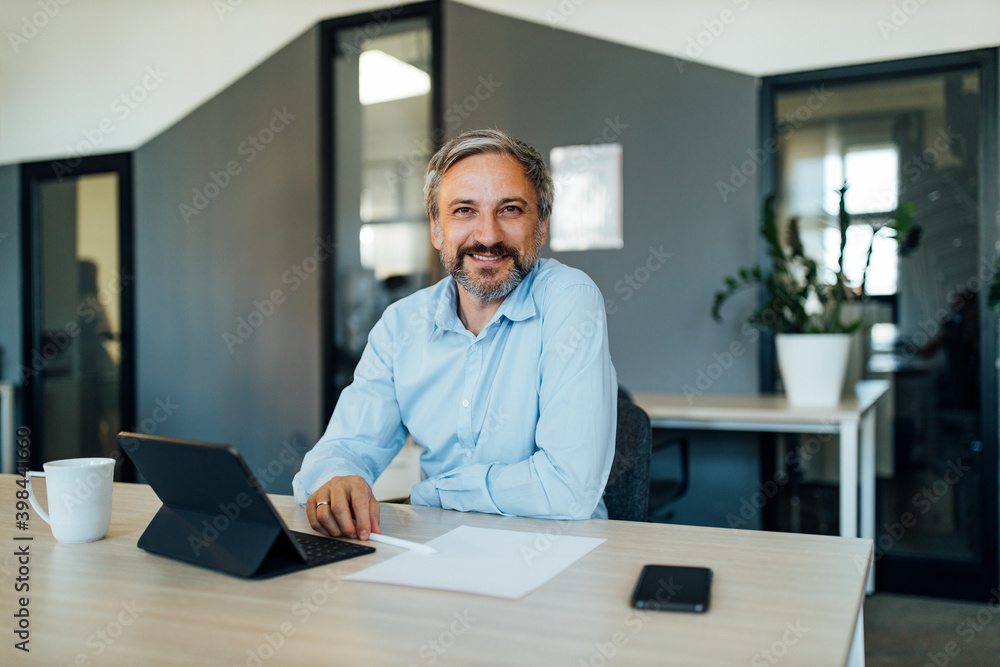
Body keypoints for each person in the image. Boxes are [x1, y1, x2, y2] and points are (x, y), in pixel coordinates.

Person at [292, 128, 617, 540]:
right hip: (437, 549)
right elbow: (346, 446)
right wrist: (337, 481)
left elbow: (568, 489)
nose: (488, 235)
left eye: (511, 209)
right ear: (436, 228)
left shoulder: (569, 299)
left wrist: (429, 495)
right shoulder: (401, 324)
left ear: (542, 226)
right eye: (464, 210)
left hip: (556, 552)